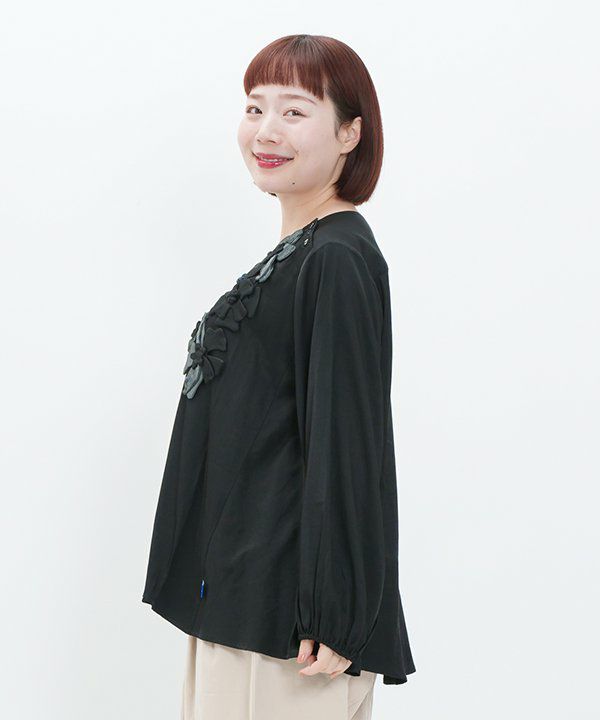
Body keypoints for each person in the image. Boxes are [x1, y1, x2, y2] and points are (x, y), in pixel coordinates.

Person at [141, 33, 416, 719]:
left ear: (350, 133)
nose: (266, 130)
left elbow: (348, 440)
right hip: (245, 608)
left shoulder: (336, 259)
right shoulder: (305, 252)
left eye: (294, 111)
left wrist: (336, 612)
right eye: (254, 107)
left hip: (292, 634)